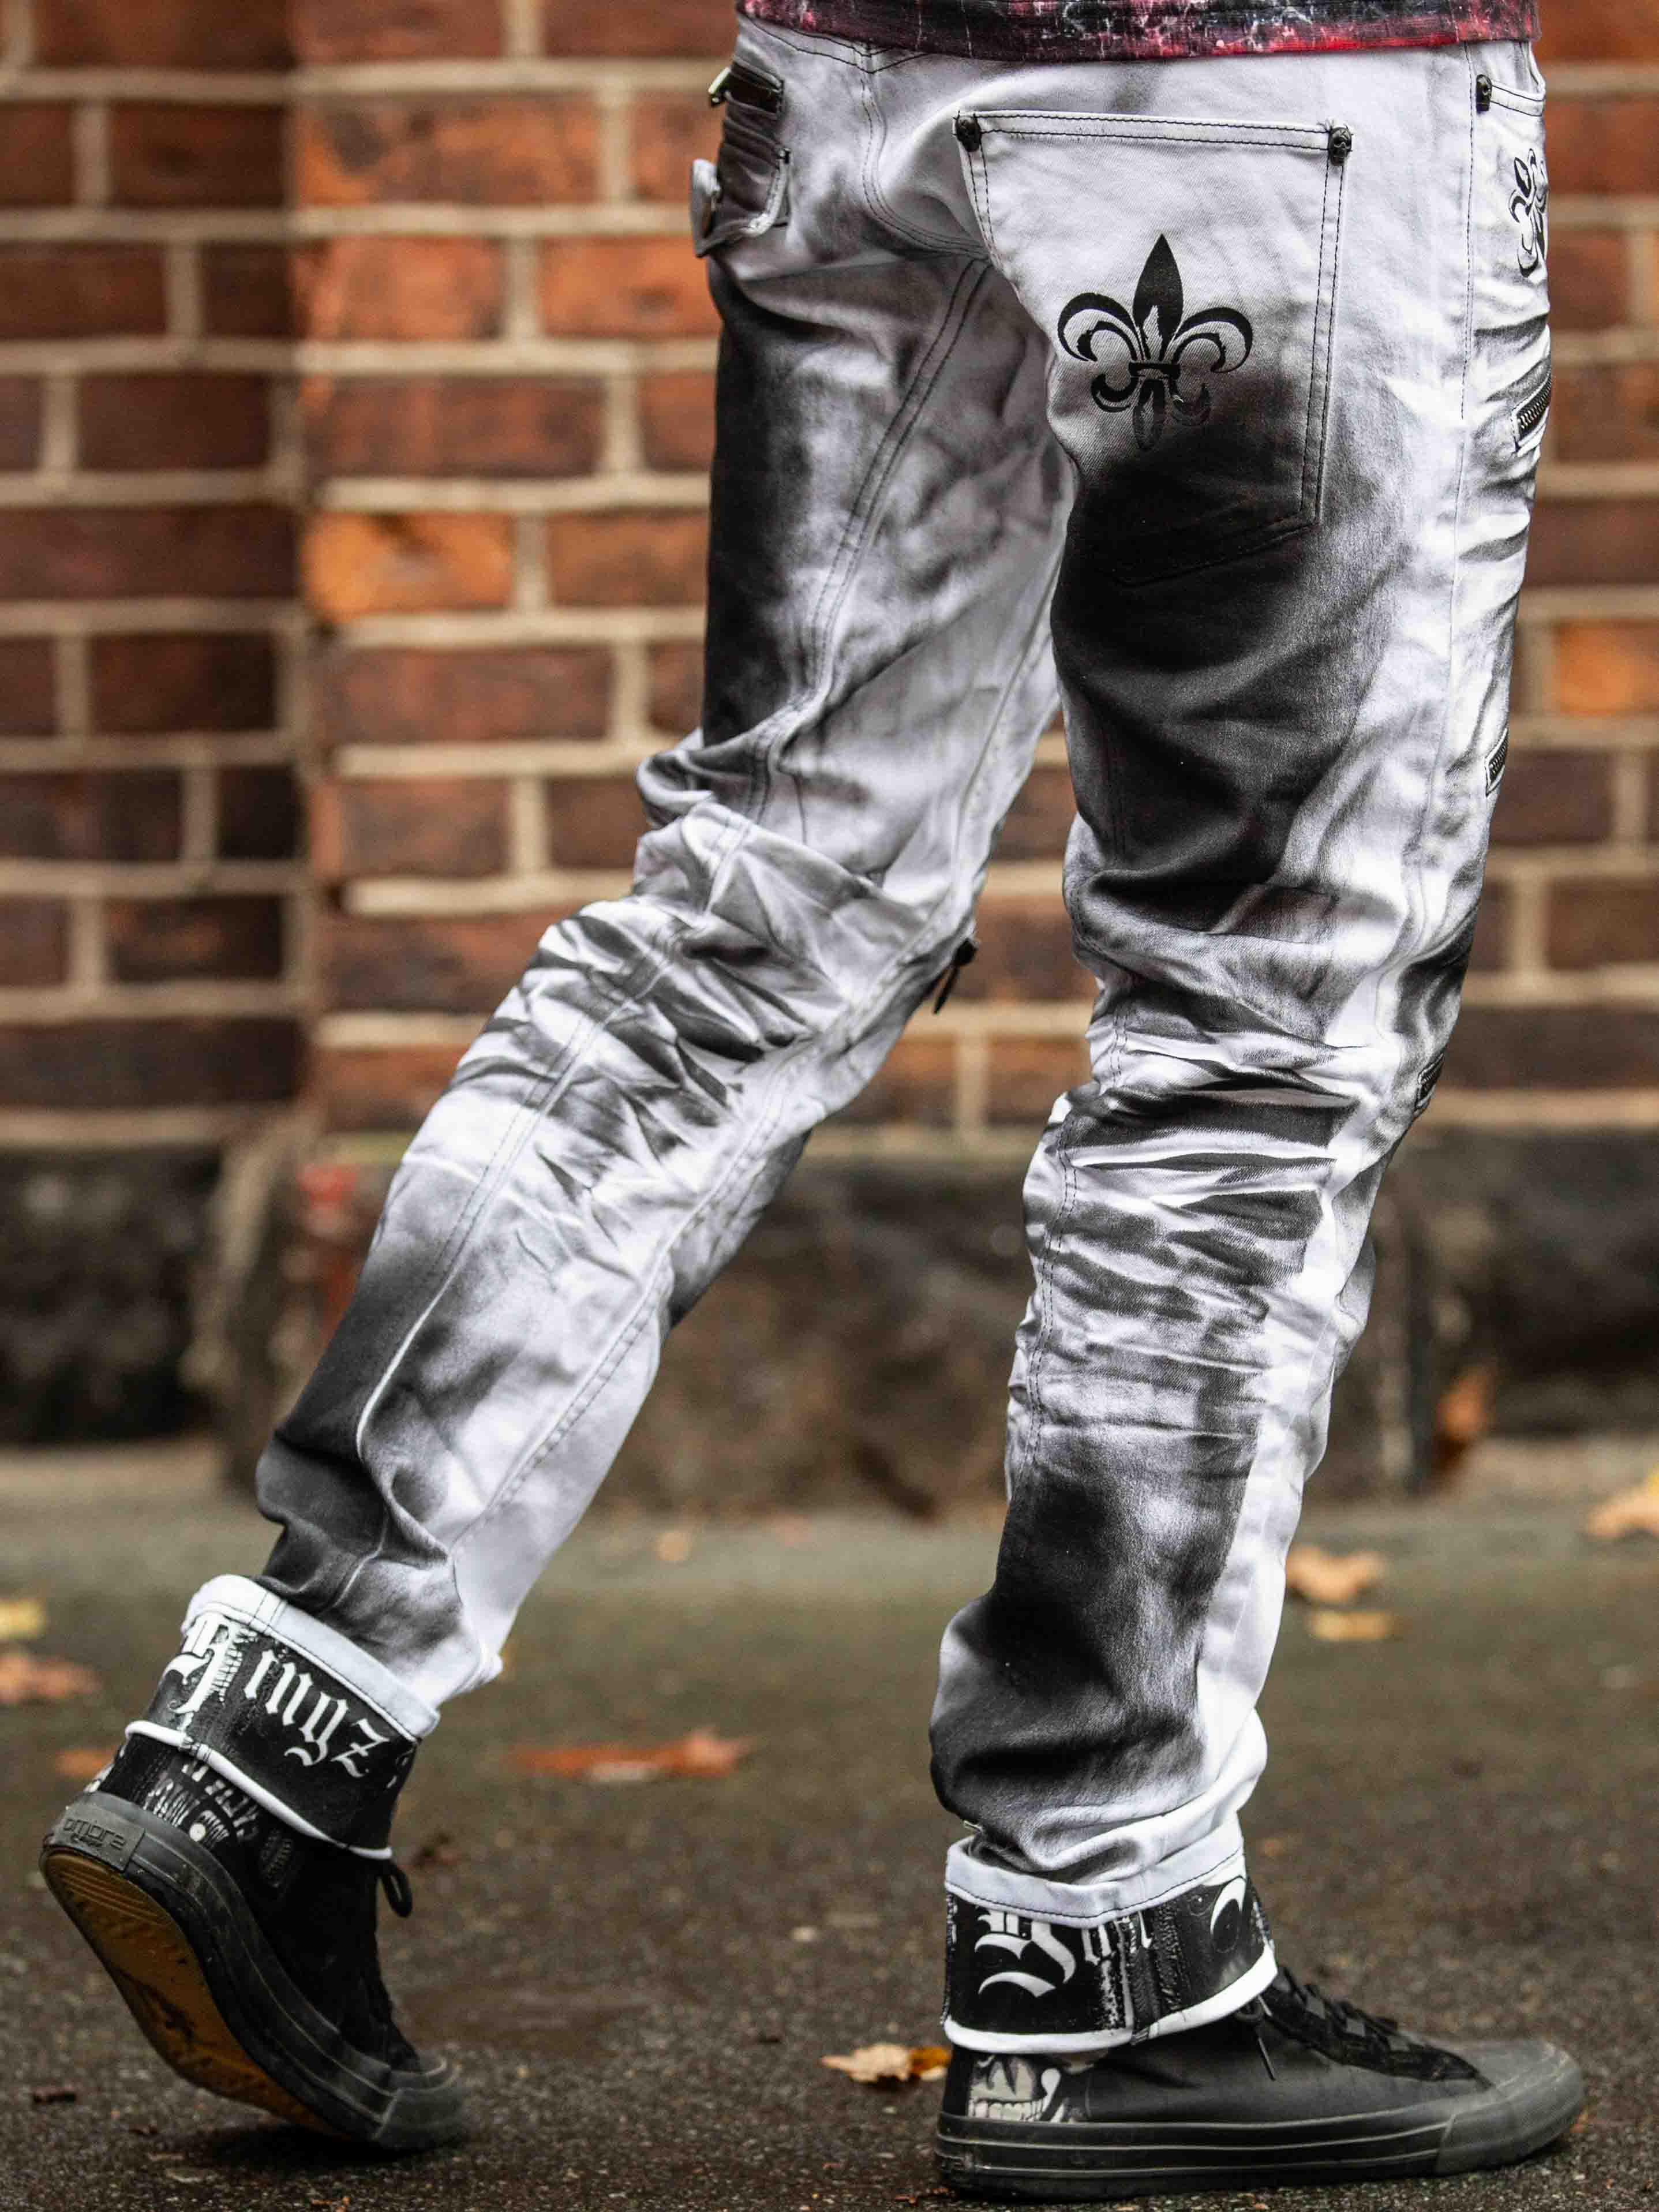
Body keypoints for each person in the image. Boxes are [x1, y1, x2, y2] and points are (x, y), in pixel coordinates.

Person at [42, 0, 1580, 2194]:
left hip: (867, 81)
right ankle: (1107, 1939)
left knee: (755, 905)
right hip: (1279, 96)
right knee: (1257, 1012)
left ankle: (274, 1728)